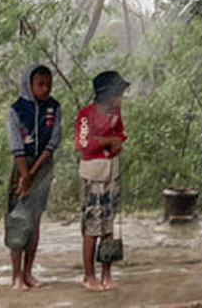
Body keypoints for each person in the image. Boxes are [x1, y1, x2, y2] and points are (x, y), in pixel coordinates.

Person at [5, 63, 61, 291]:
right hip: (21, 165)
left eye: (48, 84)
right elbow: (16, 144)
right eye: (40, 84)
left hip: (43, 166)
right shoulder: (16, 109)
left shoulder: (54, 108)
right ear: (29, 84)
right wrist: (24, 174)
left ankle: (28, 272)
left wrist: (34, 172)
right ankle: (15, 275)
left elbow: (53, 141)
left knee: (35, 220)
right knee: (18, 219)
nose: (45, 88)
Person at [75, 70, 129, 292]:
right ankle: (89, 275)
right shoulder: (86, 115)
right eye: (118, 93)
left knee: (108, 225)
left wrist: (117, 141)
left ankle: (107, 272)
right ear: (107, 94)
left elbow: (121, 133)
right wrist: (109, 141)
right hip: (94, 175)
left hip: (111, 173)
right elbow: (84, 144)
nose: (120, 98)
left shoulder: (115, 112)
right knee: (92, 226)